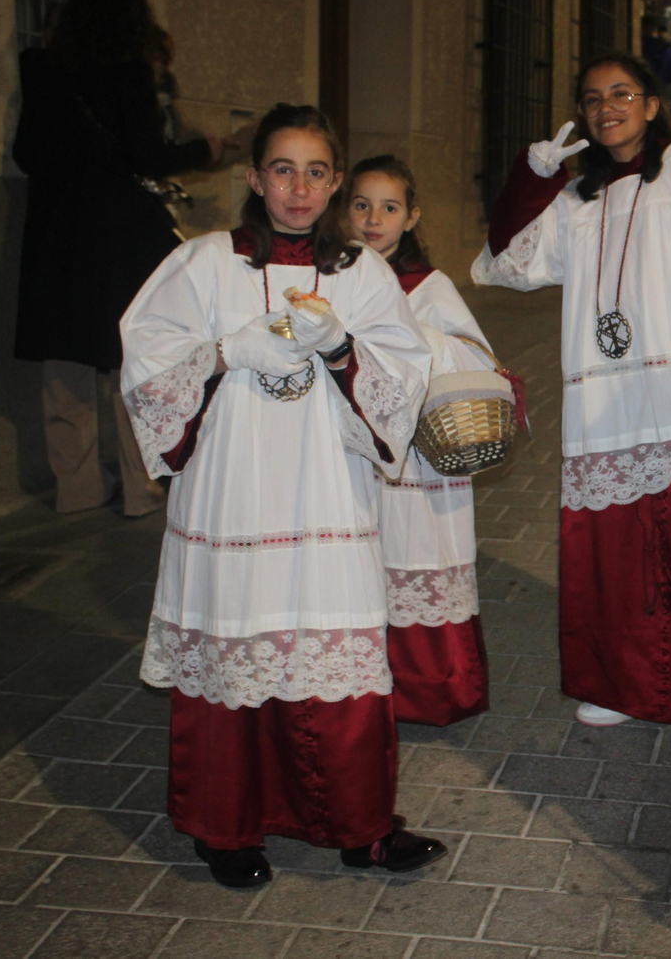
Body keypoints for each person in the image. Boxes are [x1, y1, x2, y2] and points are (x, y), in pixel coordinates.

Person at [120, 104, 444, 888]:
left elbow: (404, 377)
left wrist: (340, 349)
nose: (299, 188)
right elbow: (146, 362)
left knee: (335, 659)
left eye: (316, 171)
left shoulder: (360, 273)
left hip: (326, 497)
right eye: (282, 169)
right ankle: (224, 827)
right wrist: (227, 351)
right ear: (255, 176)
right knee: (235, 651)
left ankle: (359, 827)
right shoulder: (203, 263)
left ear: (334, 181)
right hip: (232, 492)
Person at [472, 53, 671, 765]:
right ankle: (624, 684)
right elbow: (502, 263)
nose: (607, 107)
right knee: (617, 558)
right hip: (608, 406)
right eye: (592, 98)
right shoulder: (575, 202)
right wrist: (535, 175)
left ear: (649, 104)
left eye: (622, 94)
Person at [13, 0, 248, 516]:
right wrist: (205, 149)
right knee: (132, 360)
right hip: (117, 234)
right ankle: (140, 491)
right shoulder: (129, 74)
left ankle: (76, 489)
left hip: (55, 235)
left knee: (64, 363)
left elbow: (27, 154)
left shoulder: (42, 71)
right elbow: (147, 155)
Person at [350, 154, 498, 723]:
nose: (373, 219)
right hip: (358, 457)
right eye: (361, 205)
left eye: (388, 207)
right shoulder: (335, 278)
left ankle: (431, 688)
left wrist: (419, 337)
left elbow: (472, 357)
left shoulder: (428, 286)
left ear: (411, 217)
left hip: (419, 460)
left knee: (418, 554)